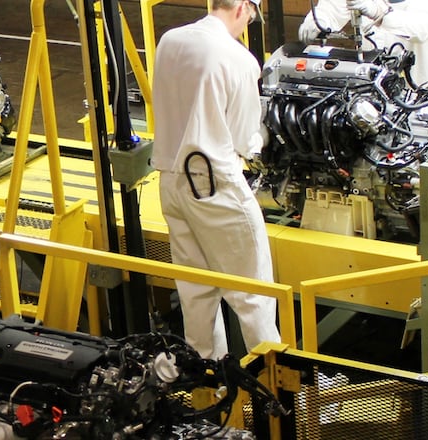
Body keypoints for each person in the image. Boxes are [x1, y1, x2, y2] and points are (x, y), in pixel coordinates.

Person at [152, 0, 281, 360]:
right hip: (215, 188)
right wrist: (265, 138)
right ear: (242, 7)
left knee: (196, 295)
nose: (247, 25)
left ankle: (210, 389)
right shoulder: (238, 58)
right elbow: (245, 139)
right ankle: (274, 395)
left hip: (172, 184)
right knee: (253, 296)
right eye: (251, 18)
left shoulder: (170, 40)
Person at [298, 0, 428, 90]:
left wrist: (380, 14)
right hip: (380, 91)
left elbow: (422, 26)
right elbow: (332, 8)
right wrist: (317, 20)